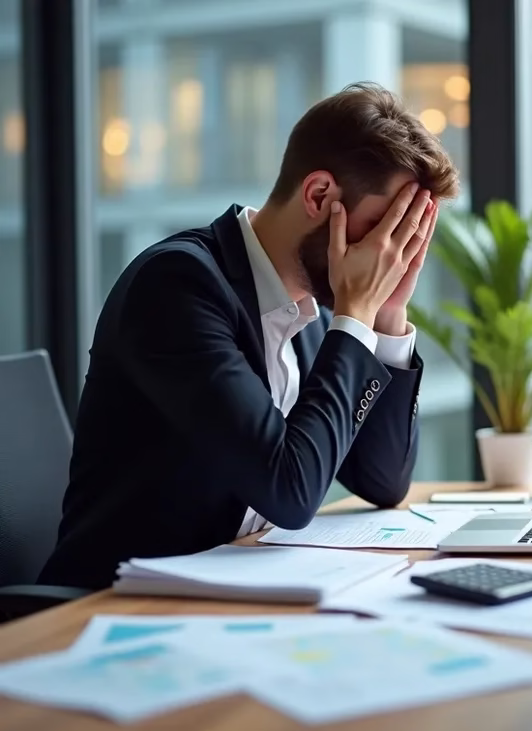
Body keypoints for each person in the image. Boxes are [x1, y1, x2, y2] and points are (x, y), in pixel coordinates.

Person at [40, 83, 459, 590]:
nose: (387, 255)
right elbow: (289, 492)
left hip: (226, 594)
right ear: (319, 195)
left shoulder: (305, 306)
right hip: (114, 606)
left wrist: (388, 314)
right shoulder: (177, 286)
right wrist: (355, 316)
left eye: (404, 237)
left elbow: (383, 481)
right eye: (381, 229)